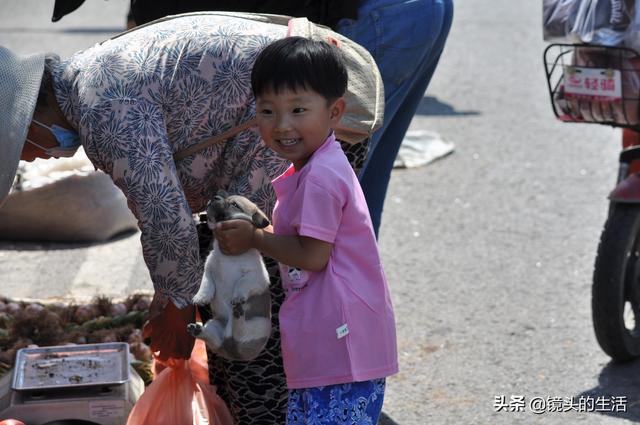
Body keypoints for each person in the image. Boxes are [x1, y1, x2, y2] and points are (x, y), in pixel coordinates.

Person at [0, 13, 375, 424]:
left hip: (299, 112)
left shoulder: (103, 107)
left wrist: (176, 308)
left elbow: (165, 216)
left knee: (253, 315)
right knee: (227, 297)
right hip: (284, 115)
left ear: (28, 122)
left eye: (18, 149)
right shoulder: (88, 83)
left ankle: (278, 410)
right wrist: (173, 301)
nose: (27, 158)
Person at [214, 37, 398, 424]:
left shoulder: (320, 177)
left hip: (341, 346)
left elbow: (313, 255)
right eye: (268, 110)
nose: (282, 125)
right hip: (330, 340)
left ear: (335, 112)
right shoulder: (315, 165)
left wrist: (253, 239)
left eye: (298, 109)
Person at [336, 0, 454, 235]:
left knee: (330, 195)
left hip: (380, 16)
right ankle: (360, 270)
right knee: (359, 193)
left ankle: (349, 270)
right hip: (408, 13)